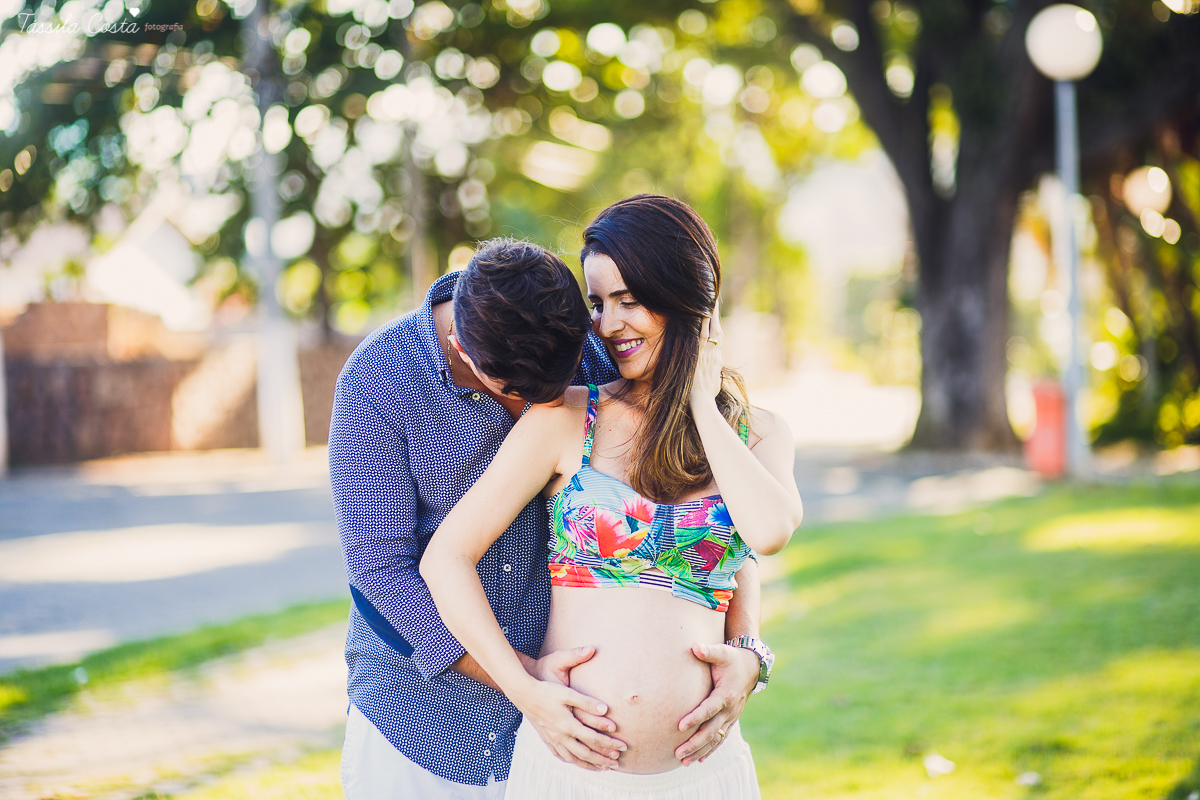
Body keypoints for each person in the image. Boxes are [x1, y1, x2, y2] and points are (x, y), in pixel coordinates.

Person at [329, 236, 766, 799]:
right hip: (421, 722)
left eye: (559, 389)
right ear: (462, 347)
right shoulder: (377, 380)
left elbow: (707, 511)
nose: (541, 409)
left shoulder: (592, 348)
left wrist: (749, 648)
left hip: (569, 743)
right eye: (516, 392)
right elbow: (382, 573)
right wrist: (526, 683)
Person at [421, 196, 804, 798]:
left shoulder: (758, 434)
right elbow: (445, 558)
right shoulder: (567, 418)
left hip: (706, 773)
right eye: (598, 304)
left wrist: (702, 402)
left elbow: (768, 532)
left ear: (688, 298)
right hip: (572, 773)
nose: (608, 325)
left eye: (629, 300)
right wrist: (526, 693)